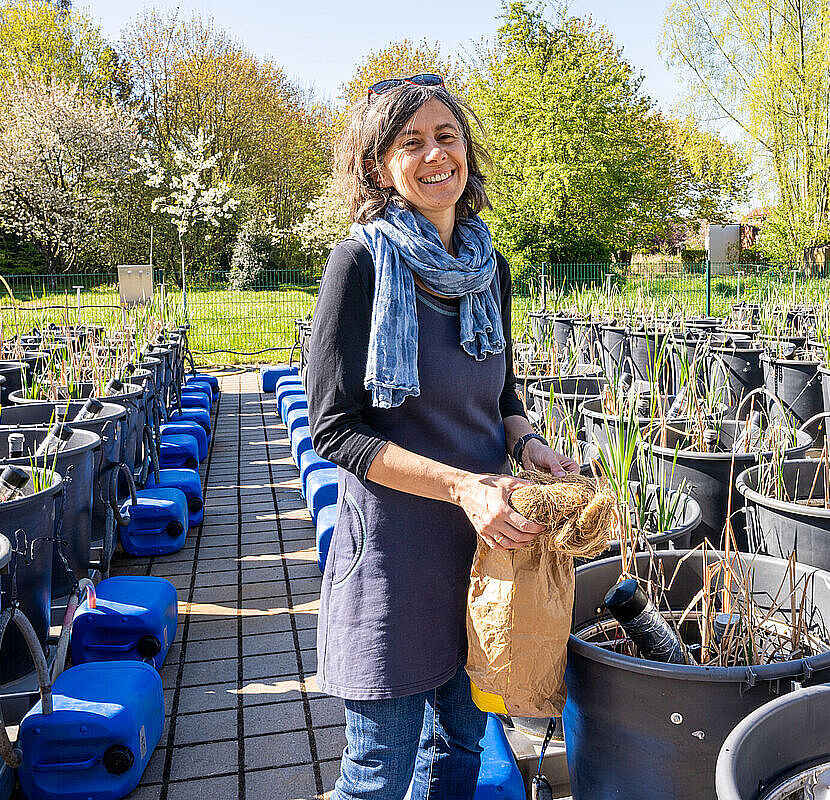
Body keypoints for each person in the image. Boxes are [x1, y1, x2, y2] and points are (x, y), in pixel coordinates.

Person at [305, 75, 579, 800]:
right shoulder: (359, 265)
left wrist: (526, 443)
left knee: (460, 746)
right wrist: (462, 487)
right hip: (396, 552)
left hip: (486, 551)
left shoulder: (491, 268)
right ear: (379, 167)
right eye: (411, 142)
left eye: (446, 136)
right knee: (377, 773)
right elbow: (334, 429)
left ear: (467, 153)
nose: (434, 154)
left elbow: (502, 393)